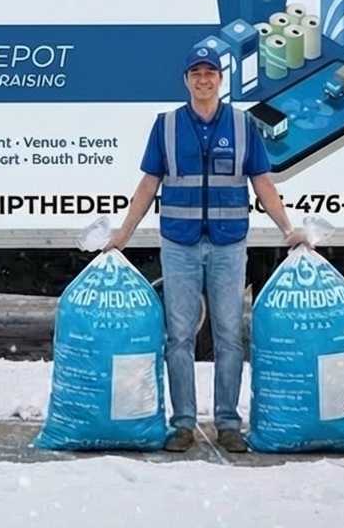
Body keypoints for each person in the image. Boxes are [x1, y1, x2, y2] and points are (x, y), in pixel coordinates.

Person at [106, 47, 306, 454]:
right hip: (179, 243)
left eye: (210, 72)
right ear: (186, 80)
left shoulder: (243, 124)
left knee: (229, 336)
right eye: (195, 72)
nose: (203, 79)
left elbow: (262, 182)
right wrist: (123, 233)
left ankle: (228, 423)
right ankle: (182, 424)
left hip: (228, 244)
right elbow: (149, 184)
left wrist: (288, 228)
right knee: (179, 336)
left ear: (220, 79)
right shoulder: (164, 126)